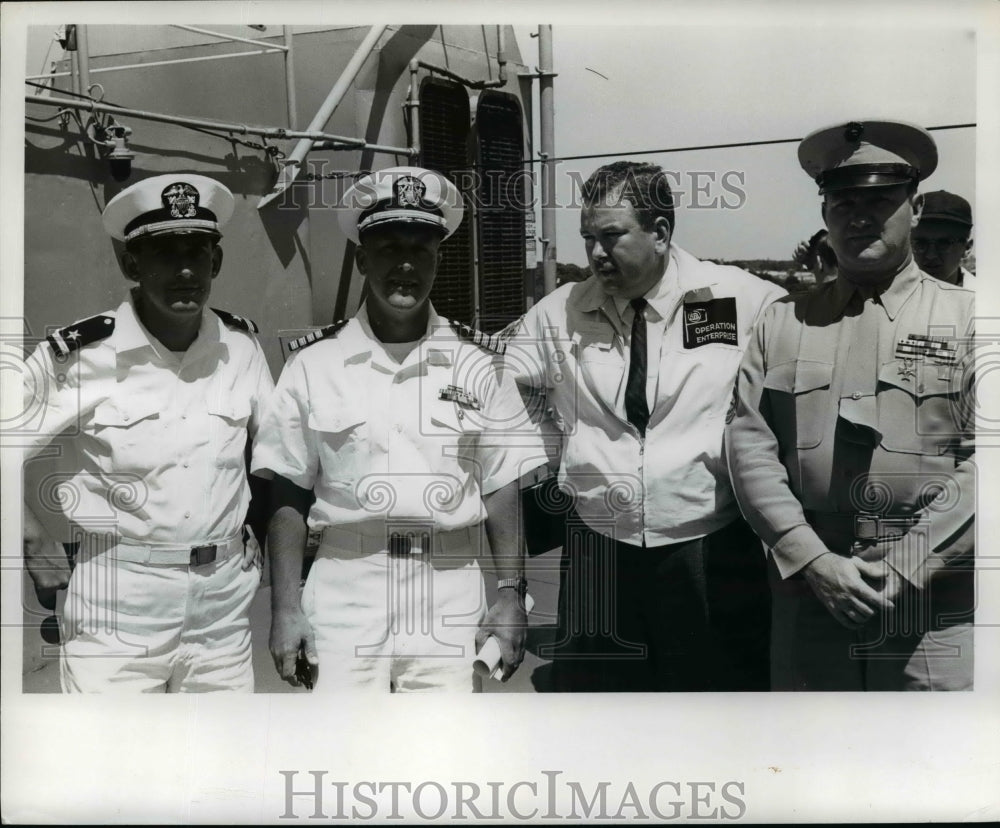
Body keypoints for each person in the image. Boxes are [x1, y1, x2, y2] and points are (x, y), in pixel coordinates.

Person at [252, 166, 546, 692]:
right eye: (388, 248)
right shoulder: (314, 365)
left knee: (444, 758)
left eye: (421, 248)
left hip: (448, 589)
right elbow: (287, 492)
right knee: (340, 755)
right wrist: (285, 608)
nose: (405, 264)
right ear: (363, 258)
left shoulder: (479, 362)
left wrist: (510, 595)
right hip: (346, 583)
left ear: (440, 256)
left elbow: (503, 487)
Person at [508, 161, 785, 691]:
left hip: (706, 540)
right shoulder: (557, 312)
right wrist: (555, 439)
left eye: (610, 236)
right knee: (598, 701)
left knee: (711, 700)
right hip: (597, 545)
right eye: (588, 237)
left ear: (660, 232)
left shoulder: (744, 300)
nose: (594, 253)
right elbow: (502, 386)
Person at [725, 120, 975, 691]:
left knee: (932, 769)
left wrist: (909, 562)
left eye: (880, 200)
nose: (859, 216)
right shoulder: (783, 322)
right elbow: (749, 449)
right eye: (843, 202)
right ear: (824, 213)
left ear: (914, 208)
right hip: (813, 594)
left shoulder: (972, 321)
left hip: (932, 603)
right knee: (816, 763)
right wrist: (812, 561)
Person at [21, 173, 274, 692]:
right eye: (164, 253)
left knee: (224, 765)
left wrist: (260, 521)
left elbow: (277, 450)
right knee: (115, 769)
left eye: (196, 252)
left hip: (223, 610)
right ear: (130, 263)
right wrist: (30, 537)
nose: (184, 271)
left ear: (216, 262)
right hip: (118, 605)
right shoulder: (83, 355)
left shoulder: (241, 349)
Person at [911, 189, 975, 287]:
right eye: (921, 243)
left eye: (944, 244)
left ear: (967, 248)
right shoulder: (889, 296)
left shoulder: (988, 299)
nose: (930, 255)